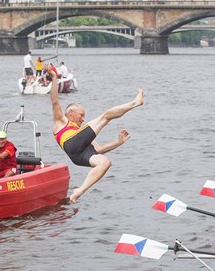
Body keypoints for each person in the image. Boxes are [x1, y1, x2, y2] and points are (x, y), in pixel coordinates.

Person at [47, 65, 144, 203]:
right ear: (70, 113)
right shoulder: (61, 122)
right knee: (105, 116)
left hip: (77, 156)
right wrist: (54, 78)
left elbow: (98, 149)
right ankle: (136, 102)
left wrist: (118, 142)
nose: (83, 119)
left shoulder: (80, 134)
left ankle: (78, 191)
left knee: (105, 162)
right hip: (71, 144)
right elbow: (55, 101)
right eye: (81, 115)